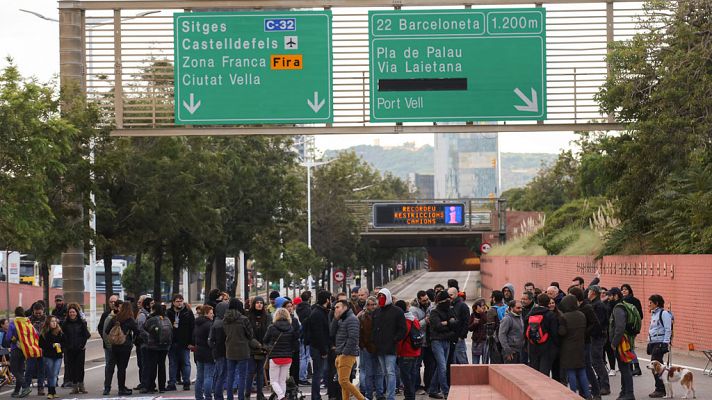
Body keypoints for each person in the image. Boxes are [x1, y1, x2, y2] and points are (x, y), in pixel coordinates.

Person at [372, 288, 406, 400]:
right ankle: (386, 394)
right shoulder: (376, 312)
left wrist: (394, 339)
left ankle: (390, 396)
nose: (380, 299)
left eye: (383, 296)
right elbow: (373, 328)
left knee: (390, 372)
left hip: (391, 347)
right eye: (379, 296)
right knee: (384, 372)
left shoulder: (397, 311)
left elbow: (402, 329)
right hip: (379, 348)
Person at [569, 286, 601, 399]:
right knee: (579, 367)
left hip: (585, 342)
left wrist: (584, 333)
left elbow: (595, 323)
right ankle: (583, 392)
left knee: (587, 366)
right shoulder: (574, 308)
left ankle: (596, 393)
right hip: (577, 342)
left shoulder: (587, 308)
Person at [558, 294, 591, 398]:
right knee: (581, 371)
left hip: (568, 348)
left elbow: (562, 332)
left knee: (570, 371)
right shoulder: (581, 315)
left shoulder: (564, 317)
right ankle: (588, 394)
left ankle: (573, 394)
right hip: (580, 346)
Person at [105, 301, 140, 396]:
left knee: (111, 366)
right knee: (122, 368)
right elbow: (137, 331)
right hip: (125, 346)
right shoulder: (130, 319)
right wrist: (132, 340)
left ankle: (107, 388)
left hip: (115, 346)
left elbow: (107, 330)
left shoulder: (115, 318)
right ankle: (121, 388)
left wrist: (115, 337)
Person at [263, 308, 298, 400]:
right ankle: (281, 397)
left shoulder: (272, 327)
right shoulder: (291, 328)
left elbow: (265, 340)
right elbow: (295, 342)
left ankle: (281, 397)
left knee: (274, 381)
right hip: (288, 357)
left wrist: (268, 348)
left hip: (275, 357)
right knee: (282, 380)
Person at [608, 288, 636, 400]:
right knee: (624, 367)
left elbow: (620, 328)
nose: (608, 298)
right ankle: (624, 392)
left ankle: (629, 393)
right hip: (623, 341)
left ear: (615, 296)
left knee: (625, 369)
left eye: (610, 296)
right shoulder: (621, 306)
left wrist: (614, 343)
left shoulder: (618, 308)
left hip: (621, 343)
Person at [427, 290, 455, 399]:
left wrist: (446, 323)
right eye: (446, 300)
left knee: (440, 367)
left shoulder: (449, 310)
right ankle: (446, 391)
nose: (448, 302)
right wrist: (448, 322)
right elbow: (437, 326)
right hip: (437, 341)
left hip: (446, 340)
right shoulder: (434, 312)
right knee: (442, 367)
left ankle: (433, 389)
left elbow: (455, 323)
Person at [8, 306, 41, 398]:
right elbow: (36, 334)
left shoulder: (13, 323)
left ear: (15, 314)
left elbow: (8, 337)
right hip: (25, 350)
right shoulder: (28, 323)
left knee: (14, 370)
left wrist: (15, 340)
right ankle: (16, 391)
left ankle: (25, 387)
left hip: (15, 349)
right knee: (20, 370)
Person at [224, 298, 252, 400]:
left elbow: (225, 333)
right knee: (242, 376)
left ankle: (229, 397)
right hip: (243, 350)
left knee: (230, 375)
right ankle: (241, 397)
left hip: (230, 349)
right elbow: (250, 334)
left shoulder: (225, 319)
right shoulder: (244, 319)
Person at [305, 290, 331, 400]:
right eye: (330, 298)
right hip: (318, 348)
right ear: (326, 300)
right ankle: (315, 396)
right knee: (318, 373)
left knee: (319, 372)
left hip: (317, 347)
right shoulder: (318, 314)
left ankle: (316, 395)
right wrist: (324, 351)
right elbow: (319, 334)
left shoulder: (319, 311)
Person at [166, 294, 195, 391]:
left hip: (185, 342)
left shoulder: (188, 313)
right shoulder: (168, 313)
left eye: (181, 301)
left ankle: (186, 382)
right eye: (178, 301)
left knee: (185, 363)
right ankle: (172, 383)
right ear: (173, 302)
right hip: (172, 342)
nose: (180, 303)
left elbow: (192, 328)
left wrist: (192, 342)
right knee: (172, 363)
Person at [60, 302, 90, 395]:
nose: (72, 314)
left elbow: (86, 335)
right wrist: (66, 346)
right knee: (71, 369)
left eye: (73, 312)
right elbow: (62, 336)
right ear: (68, 314)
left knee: (80, 368)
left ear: (76, 313)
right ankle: (74, 387)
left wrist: (82, 345)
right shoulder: (65, 324)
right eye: (70, 312)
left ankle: (81, 386)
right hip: (70, 350)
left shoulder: (81, 323)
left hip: (80, 349)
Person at [142, 302, 172, 394]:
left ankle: (151, 386)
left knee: (153, 366)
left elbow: (144, 329)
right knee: (162, 365)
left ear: (154, 309)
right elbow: (171, 331)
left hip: (153, 346)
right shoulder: (166, 319)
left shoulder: (151, 319)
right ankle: (162, 387)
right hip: (165, 346)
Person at [647, 294, 673, 398]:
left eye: (651, 303)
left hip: (660, 342)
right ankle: (662, 387)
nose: (649, 305)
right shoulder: (653, 314)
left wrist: (665, 342)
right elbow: (653, 329)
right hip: (653, 342)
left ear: (656, 303)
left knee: (656, 367)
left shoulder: (664, 313)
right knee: (657, 367)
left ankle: (660, 389)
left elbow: (668, 328)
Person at [526, 293, 559, 376]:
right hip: (547, 347)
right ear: (548, 303)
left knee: (534, 373)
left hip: (533, 346)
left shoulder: (530, 314)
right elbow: (554, 333)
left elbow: (525, 331)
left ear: (538, 302)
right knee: (544, 373)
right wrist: (557, 345)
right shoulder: (550, 315)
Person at [247, 297, 272, 400]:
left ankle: (259, 394)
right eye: (257, 303)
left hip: (263, 348)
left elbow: (269, 332)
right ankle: (247, 393)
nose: (259, 304)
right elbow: (248, 334)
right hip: (251, 348)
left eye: (261, 303)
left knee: (260, 371)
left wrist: (265, 346)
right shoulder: (248, 316)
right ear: (254, 304)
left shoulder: (267, 316)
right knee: (251, 371)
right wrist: (256, 344)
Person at [588, 285, 611, 396]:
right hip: (595, 336)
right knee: (595, 360)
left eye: (589, 291)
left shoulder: (598, 306)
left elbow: (599, 323)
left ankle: (604, 385)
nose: (587, 293)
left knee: (597, 360)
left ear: (593, 292)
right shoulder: (594, 304)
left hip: (598, 336)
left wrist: (589, 331)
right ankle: (600, 383)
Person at [395, 300, 420, 400]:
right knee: (412, 375)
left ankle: (409, 397)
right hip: (415, 351)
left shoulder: (404, 321)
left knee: (406, 377)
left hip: (406, 352)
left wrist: (397, 352)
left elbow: (401, 339)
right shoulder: (413, 319)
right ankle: (411, 396)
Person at [409, 291, 431, 394]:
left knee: (429, 364)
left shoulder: (429, 306)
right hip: (419, 342)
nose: (426, 301)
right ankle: (416, 386)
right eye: (424, 300)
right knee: (417, 365)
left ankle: (428, 385)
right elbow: (414, 325)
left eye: (427, 299)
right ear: (419, 300)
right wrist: (425, 321)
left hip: (429, 341)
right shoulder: (413, 310)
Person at [620, 284, 643, 376]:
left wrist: (633, 323)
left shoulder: (634, 301)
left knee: (629, 348)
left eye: (626, 289)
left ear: (629, 290)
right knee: (628, 348)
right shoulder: (621, 301)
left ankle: (636, 367)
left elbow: (640, 315)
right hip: (626, 328)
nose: (624, 291)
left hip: (631, 328)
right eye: (622, 290)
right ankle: (632, 367)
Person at [208, 301, 230, 400]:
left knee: (218, 374)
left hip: (217, 352)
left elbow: (210, 340)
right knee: (222, 375)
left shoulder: (215, 322)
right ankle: (218, 396)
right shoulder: (223, 323)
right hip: (223, 352)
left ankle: (216, 393)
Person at [99, 295, 120, 394]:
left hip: (120, 345)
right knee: (109, 366)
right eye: (111, 302)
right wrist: (106, 339)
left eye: (114, 302)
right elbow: (101, 328)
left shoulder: (122, 314)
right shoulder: (105, 315)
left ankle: (121, 386)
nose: (113, 303)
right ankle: (107, 387)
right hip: (109, 345)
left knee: (121, 367)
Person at [39, 316, 64, 399]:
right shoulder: (44, 333)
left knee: (54, 374)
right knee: (50, 374)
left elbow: (65, 342)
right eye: (52, 321)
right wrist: (52, 345)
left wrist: (61, 345)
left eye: (55, 321)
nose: (54, 323)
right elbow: (41, 344)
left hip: (58, 356)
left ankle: (53, 392)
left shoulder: (59, 332)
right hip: (48, 356)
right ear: (48, 323)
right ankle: (51, 392)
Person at [194, 305, 215, 400]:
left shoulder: (197, 323)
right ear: (206, 313)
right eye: (211, 313)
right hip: (208, 352)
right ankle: (208, 396)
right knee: (208, 376)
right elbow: (211, 340)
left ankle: (198, 396)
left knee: (199, 377)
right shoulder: (209, 324)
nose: (213, 315)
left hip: (198, 352)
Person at [27, 302, 47, 396]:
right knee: (29, 369)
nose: (38, 315)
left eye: (40, 313)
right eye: (36, 313)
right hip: (32, 348)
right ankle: (26, 389)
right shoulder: (28, 320)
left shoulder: (47, 320)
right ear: (33, 311)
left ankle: (40, 388)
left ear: (43, 311)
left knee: (41, 370)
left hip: (43, 348)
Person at [447, 287, 470, 364]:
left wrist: (462, 336)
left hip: (459, 337)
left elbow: (466, 322)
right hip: (451, 337)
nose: (449, 297)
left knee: (461, 358)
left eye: (451, 295)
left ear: (456, 294)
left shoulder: (462, 306)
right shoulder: (449, 305)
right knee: (453, 360)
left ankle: (466, 375)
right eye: (448, 295)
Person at [136, 297, 153, 391]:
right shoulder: (143, 315)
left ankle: (149, 384)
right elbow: (140, 329)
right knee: (145, 365)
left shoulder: (149, 314)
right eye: (151, 303)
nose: (153, 305)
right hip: (144, 343)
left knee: (148, 364)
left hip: (149, 343)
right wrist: (149, 337)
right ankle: (145, 384)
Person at [295, 291, 312, 386]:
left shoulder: (299, 307)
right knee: (305, 357)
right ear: (309, 298)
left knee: (302, 356)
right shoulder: (308, 309)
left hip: (301, 333)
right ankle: (302, 377)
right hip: (306, 334)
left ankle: (301, 376)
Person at [468, 298, 487, 364]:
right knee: (475, 361)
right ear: (477, 306)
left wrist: (482, 313)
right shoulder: (473, 315)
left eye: (484, 305)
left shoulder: (485, 314)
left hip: (484, 340)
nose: (484, 307)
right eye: (482, 305)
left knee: (485, 361)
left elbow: (485, 321)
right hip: (476, 340)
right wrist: (474, 323)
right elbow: (470, 328)